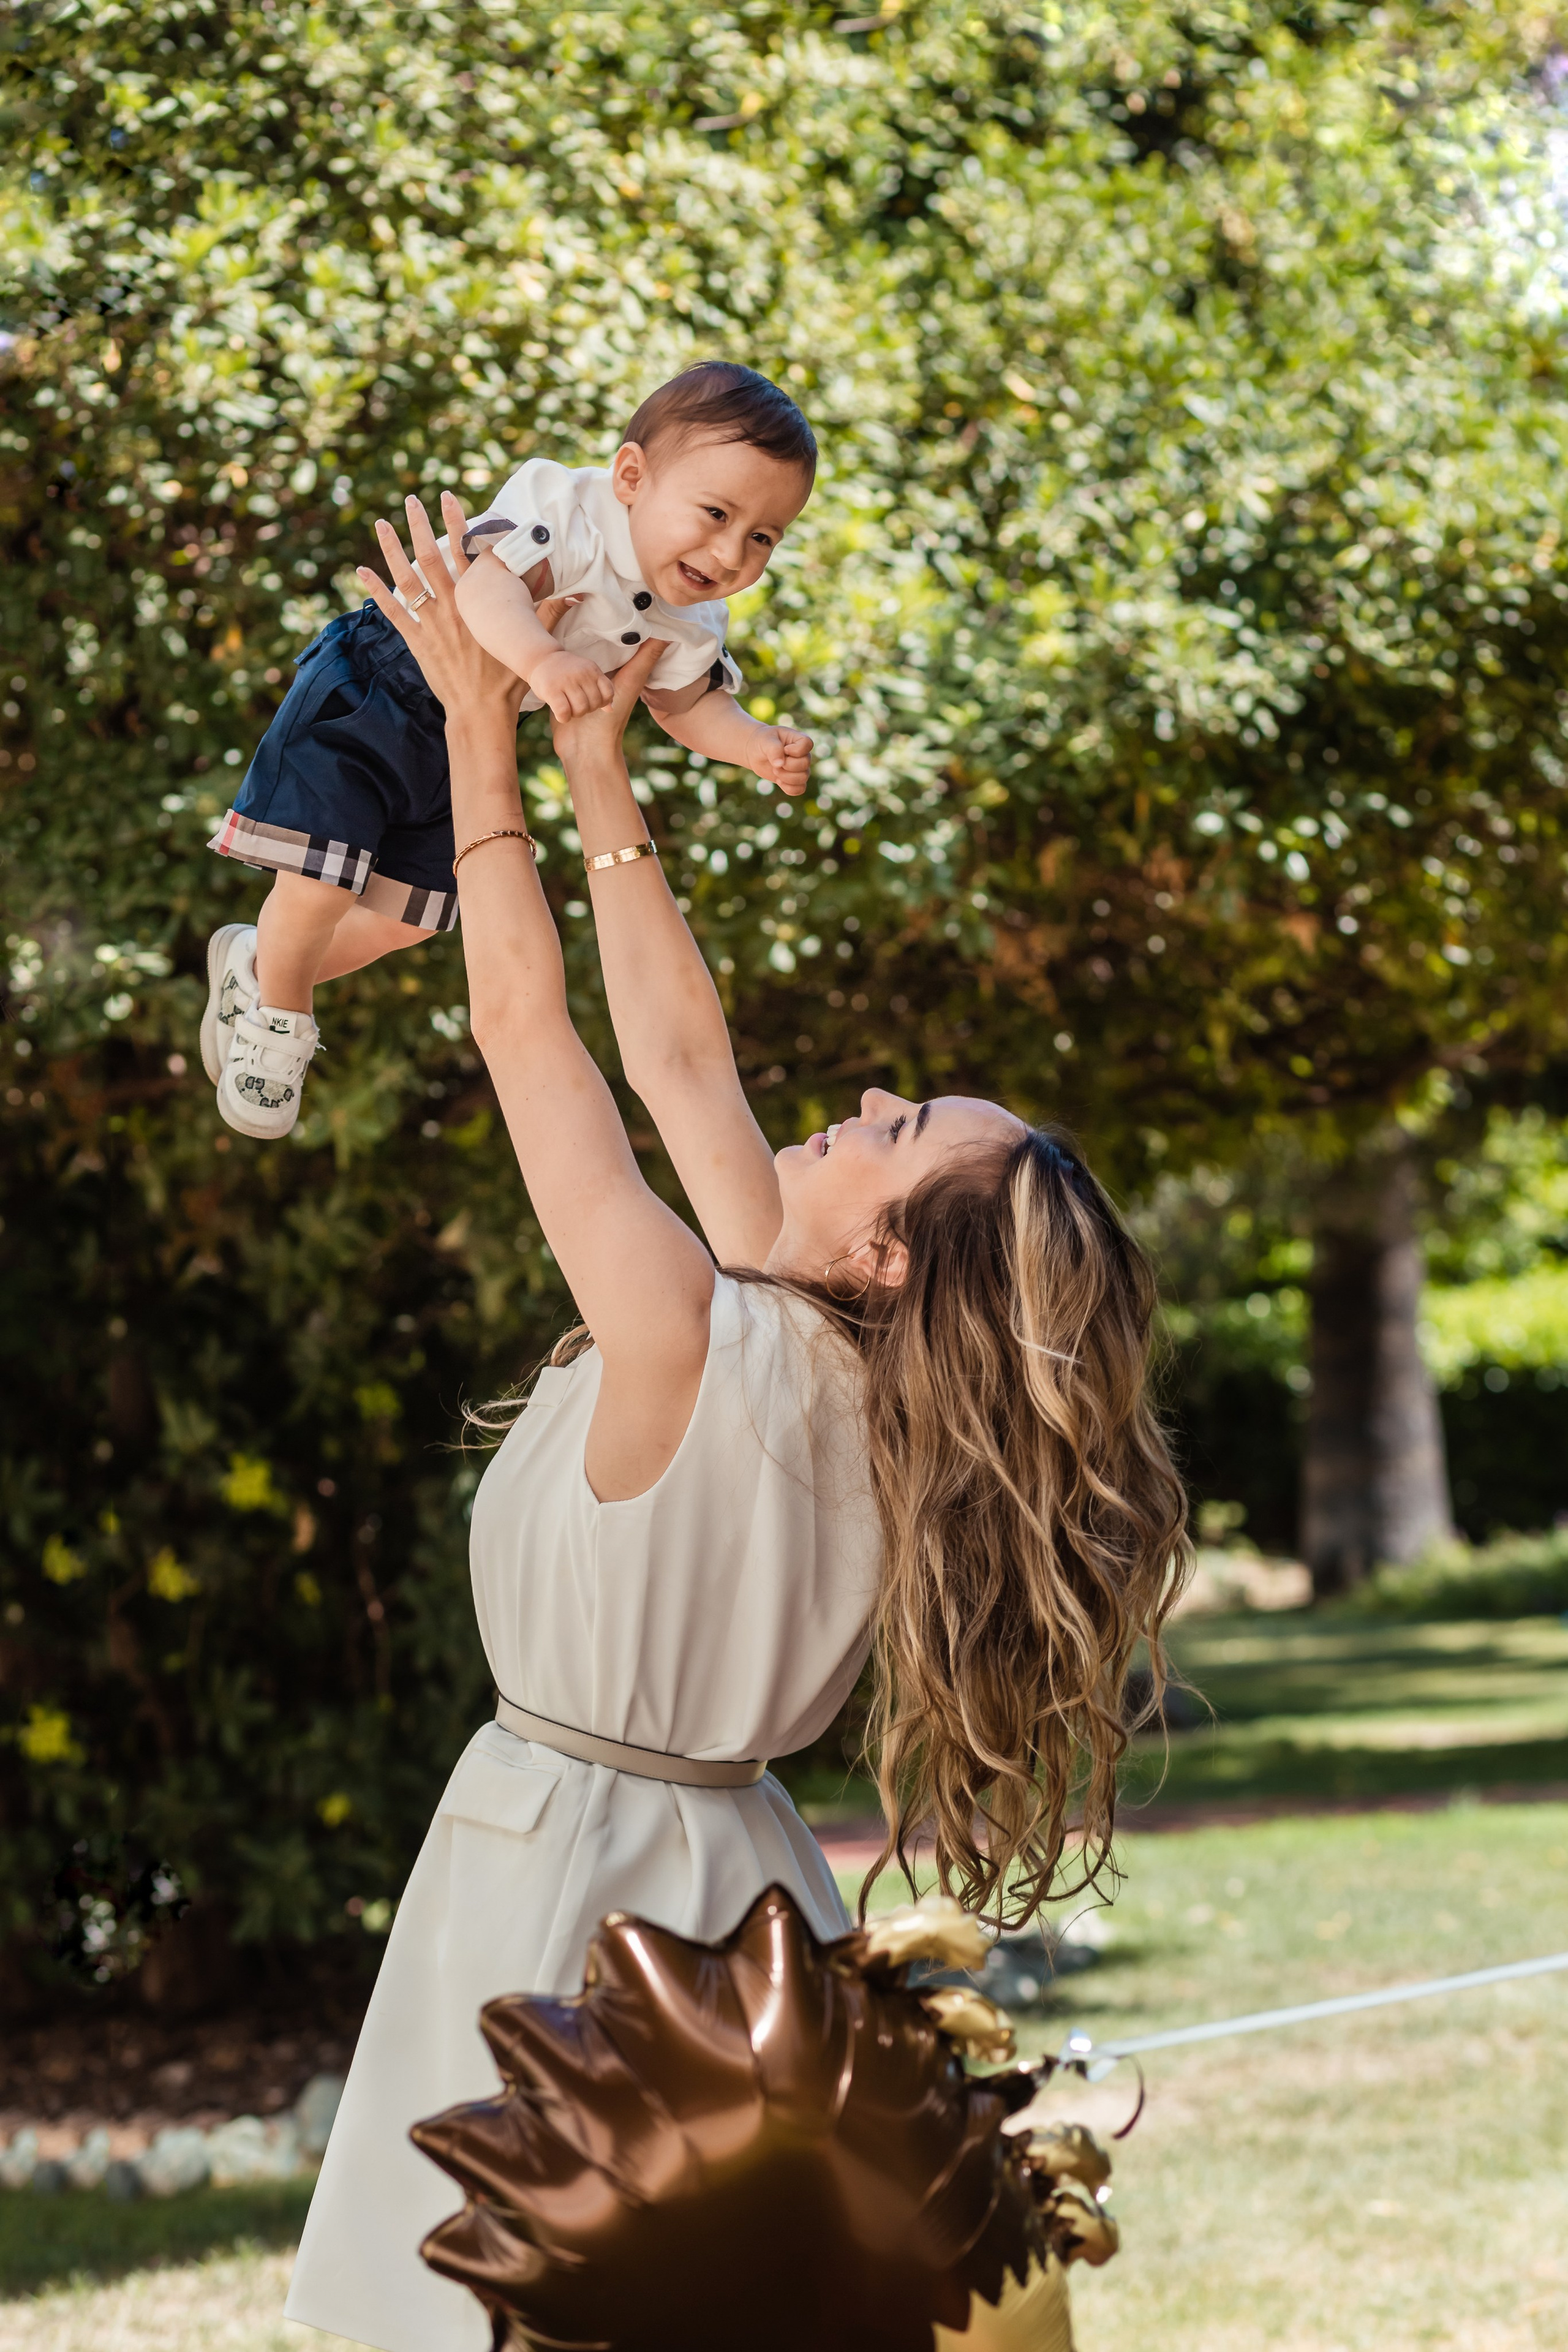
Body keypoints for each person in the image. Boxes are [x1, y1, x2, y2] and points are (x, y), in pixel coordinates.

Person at [283, 494, 1188, 2352]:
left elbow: (535, 1033)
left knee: (512, 2300)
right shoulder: (863, 1384)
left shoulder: (700, 1328)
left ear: (872, 1259)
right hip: (740, 1890)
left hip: (565, 1884)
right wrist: (601, 761)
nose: (850, 1095)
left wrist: (477, 731)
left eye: (885, 1126)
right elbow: (679, 1059)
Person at [200, 361, 816, 1141]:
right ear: (632, 475)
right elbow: (483, 592)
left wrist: (757, 746)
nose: (730, 553)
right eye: (715, 513)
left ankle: (259, 966)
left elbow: (687, 706)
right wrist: (544, 660)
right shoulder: (568, 509)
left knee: (407, 917)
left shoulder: (693, 623)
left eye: (761, 537)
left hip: (467, 730)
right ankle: (281, 1019)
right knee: (321, 885)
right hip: (383, 684)